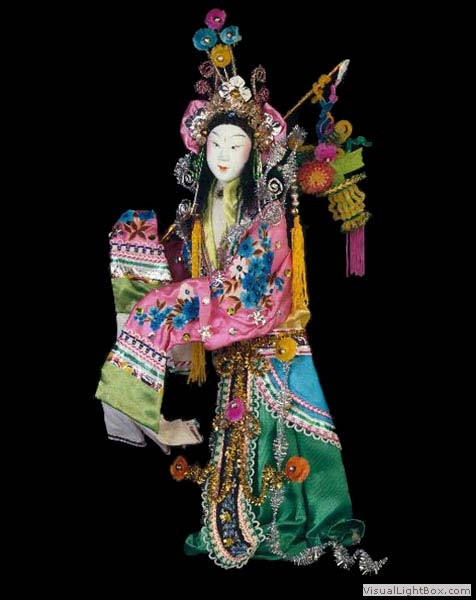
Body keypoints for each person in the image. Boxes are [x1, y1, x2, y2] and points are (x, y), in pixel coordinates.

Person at [95, 9, 386, 572]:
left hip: (272, 348)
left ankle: (295, 523)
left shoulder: (267, 213)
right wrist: (138, 243)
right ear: (200, 149)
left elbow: (246, 293)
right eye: (216, 143)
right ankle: (148, 423)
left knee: (288, 472)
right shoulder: (200, 214)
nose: (224, 154)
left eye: (236, 143)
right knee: (234, 459)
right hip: (233, 359)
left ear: (255, 152)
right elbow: (177, 270)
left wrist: (170, 304)